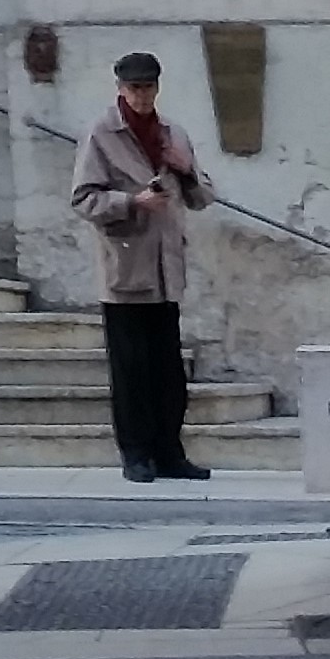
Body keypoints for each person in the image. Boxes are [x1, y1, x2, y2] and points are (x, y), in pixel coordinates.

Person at [71, 48, 215, 482]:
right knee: (130, 369)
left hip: (166, 268)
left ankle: (169, 452)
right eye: (134, 88)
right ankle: (135, 453)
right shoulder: (101, 134)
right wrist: (132, 202)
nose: (141, 96)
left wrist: (186, 171)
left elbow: (204, 197)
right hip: (126, 266)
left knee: (168, 369)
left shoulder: (173, 132)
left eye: (148, 87)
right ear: (120, 88)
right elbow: (83, 199)